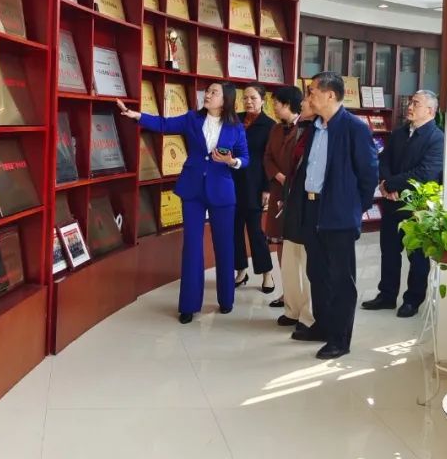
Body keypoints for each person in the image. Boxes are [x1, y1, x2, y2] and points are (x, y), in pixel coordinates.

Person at [116, 82, 249, 324]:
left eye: (214, 92)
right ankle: (188, 305)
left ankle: (226, 299)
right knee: (192, 246)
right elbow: (164, 124)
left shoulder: (236, 127)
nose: (208, 95)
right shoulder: (191, 118)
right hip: (192, 189)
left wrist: (232, 162)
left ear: (226, 99)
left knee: (224, 246)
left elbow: (245, 158)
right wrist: (137, 116)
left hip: (222, 191)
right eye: (207, 91)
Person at [293, 72, 378, 360]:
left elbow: (369, 174)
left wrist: (354, 207)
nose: (308, 96)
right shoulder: (315, 127)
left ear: (330, 95)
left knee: (341, 278)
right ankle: (323, 326)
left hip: (339, 213)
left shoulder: (355, 128)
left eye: (312, 91)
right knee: (317, 273)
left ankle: (340, 339)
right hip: (312, 209)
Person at [361, 90, 445, 318]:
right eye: (410, 102)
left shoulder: (437, 138)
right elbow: (383, 161)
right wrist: (385, 184)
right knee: (389, 251)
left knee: (417, 256)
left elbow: (425, 173)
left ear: (430, 110)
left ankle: (413, 300)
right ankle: (387, 295)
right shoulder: (399, 133)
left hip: (417, 207)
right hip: (392, 203)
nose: (410, 106)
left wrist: (391, 184)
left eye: (416, 103)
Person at [264, 86, 315, 328]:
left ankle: (305, 307)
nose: (273, 107)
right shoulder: (276, 129)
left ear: (289, 104)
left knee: (301, 252)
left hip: (299, 196)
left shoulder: (308, 129)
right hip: (279, 191)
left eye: (277, 103)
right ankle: (289, 297)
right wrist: (279, 176)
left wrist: (291, 180)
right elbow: (267, 157)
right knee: (282, 244)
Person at [233, 84, 277, 293]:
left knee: (255, 231)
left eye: (253, 98)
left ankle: (267, 273)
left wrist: (267, 188)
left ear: (263, 100)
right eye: (245, 98)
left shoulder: (270, 125)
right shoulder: (234, 120)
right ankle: (241, 270)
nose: (248, 102)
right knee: (234, 230)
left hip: (255, 185)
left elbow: (270, 159)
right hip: (232, 182)